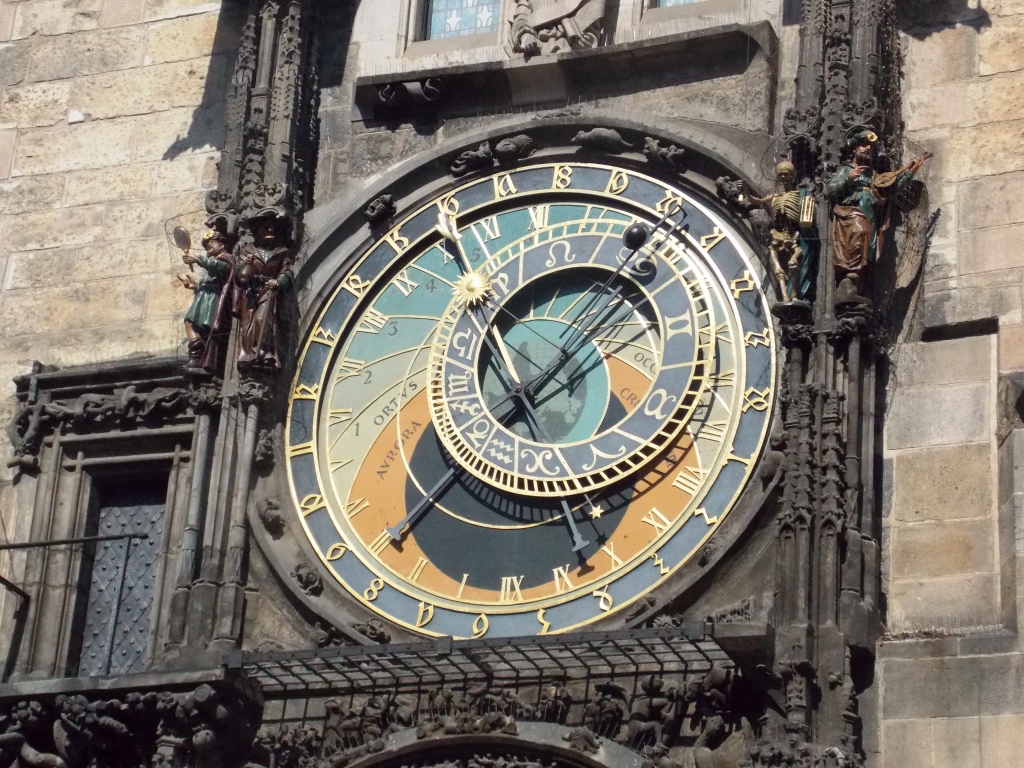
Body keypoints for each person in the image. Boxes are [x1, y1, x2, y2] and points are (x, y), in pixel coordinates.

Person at [825, 129, 929, 304]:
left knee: (869, 251)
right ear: (854, 149)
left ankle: (858, 290)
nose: (867, 148)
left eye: (870, 147)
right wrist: (849, 178)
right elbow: (831, 190)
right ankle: (845, 288)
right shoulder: (846, 169)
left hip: (870, 215)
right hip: (852, 215)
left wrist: (911, 172)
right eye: (863, 144)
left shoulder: (873, 176)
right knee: (857, 240)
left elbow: (892, 189)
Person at [743, 160, 818, 304]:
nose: (783, 178)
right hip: (778, 233)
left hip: (794, 234)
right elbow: (757, 200)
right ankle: (786, 297)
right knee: (778, 266)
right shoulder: (774, 197)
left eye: (786, 174)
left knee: (793, 264)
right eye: (780, 175)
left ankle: (795, 295)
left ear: (793, 176)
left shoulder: (799, 195)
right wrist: (746, 191)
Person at [234, 215, 294, 371]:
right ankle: (248, 354)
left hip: (269, 288)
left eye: (272, 227)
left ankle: (264, 351)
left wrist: (278, 281)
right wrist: (245, 264)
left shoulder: (281, 252)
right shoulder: (247, 251)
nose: (270, 230)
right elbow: (240, 275)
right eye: (265, 227)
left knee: (263, 319)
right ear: (256, 231)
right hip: (251, 291)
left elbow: (287, 271)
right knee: (248, 324)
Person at [179, 230, 236, 374]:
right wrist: (195, 286)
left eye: (211, 244)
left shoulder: (226, 258)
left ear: (222, 245)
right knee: (191, 323)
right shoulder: (213, 263)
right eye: (206, 246)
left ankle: (198, 355)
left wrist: (198, 260)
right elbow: (212, 276)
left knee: (197, 325)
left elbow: (222, 268)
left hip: (213, 299)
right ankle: (197, 354)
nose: (208, 247)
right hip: (205, 296)